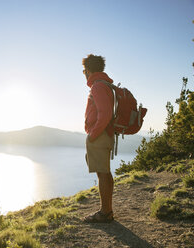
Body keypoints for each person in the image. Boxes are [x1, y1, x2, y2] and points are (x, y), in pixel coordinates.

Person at [82, 54, 115, 223]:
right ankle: (107, 210)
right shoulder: (107, 85)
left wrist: (93, 135)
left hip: (99, 135)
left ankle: (105, 212)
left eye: (84, 71)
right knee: (105, 173)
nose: (84, 74)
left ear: (88, 70)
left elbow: (105, 114)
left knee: (102, 173)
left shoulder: (98, 86)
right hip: (105, 134)